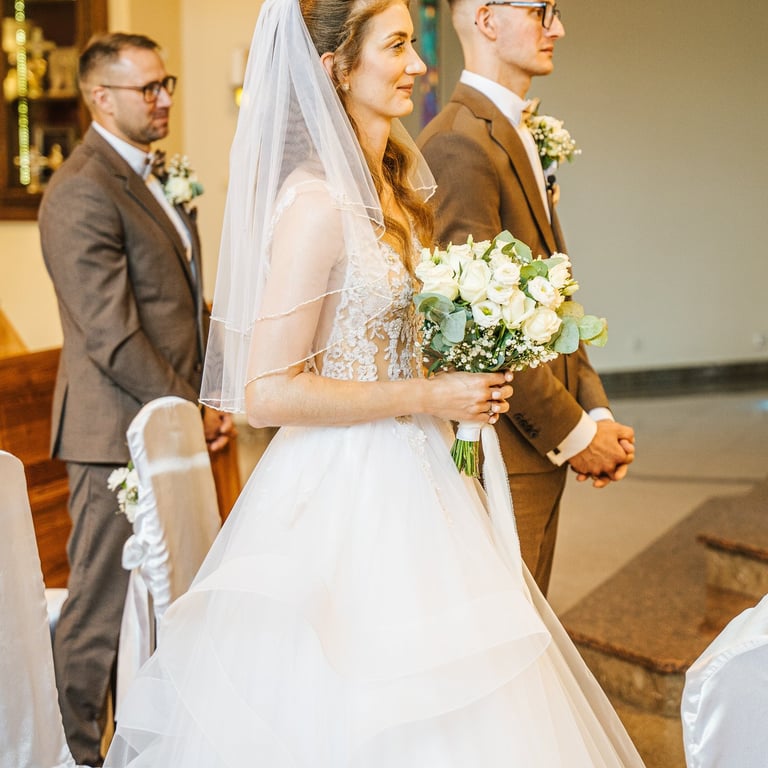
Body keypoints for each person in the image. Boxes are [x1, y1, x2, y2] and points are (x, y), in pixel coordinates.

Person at [104, 0, 644, 764]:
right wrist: (428, 395)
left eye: (412, 45)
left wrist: (463, 364)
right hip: (347, 491)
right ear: (336, 69)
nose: (419, 65)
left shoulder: (396, 192)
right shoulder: (316, 204)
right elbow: (267, 392)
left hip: (427, 474)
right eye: (396, 46)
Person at [38, 32, 232, 765]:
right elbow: (113, 335)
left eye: (165, 84)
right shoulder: (81, 189)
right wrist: (189, 412)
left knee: (163, 599)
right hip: (114, 434)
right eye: (146, 88)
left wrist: (212, 394)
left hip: (168, 419)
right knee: (99, 610)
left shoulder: (155, 175)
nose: (162, 100)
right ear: (100, 97)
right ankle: (69, 753)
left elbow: (179, 305)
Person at [418, 0, 635, 594]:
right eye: (542, 11)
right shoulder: (459, 141)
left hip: (536, 447)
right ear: (488, 20)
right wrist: (576, 435)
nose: (557, 27)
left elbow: (552, 295)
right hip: (505, 451)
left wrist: (596, 412)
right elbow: (480, 327)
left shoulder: (515, 129)